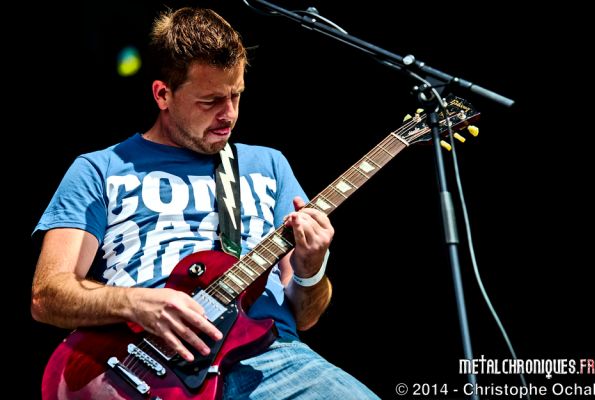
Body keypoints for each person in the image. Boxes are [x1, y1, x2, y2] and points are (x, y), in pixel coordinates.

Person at [31, 7, 379, 399]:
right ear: (163, 94)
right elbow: (48, 294)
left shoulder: (268, 166)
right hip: (139, 364)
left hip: (271, 360)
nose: (228, 114)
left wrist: (310, 269)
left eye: (236, 95)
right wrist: (137, 303)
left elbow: (306, 315)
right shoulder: (100, 169)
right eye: (210, 101)